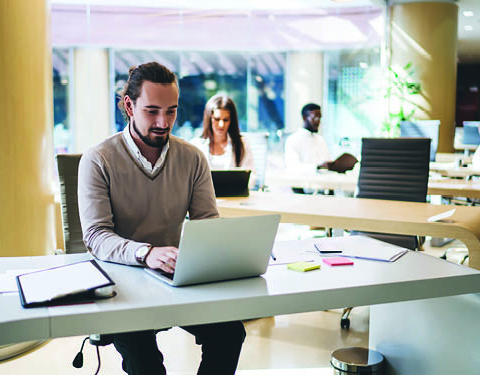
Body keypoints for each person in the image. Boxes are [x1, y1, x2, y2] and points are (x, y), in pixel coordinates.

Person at [77, 62, 246, 375]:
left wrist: (225, 253)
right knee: (146, 364)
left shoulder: (192, 157)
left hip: (177, 278)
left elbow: (207, 222)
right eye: (152, 110)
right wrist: (147, 253)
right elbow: (96, 236)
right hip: (123, 283)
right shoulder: (98, 159)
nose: (162, 122)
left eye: (171, 111)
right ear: (129, 105)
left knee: (230, 332)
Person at [191, 94, 255, 172]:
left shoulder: (242, 143)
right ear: (209, 119)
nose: (221, 125)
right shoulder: (197, 144)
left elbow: (251, 175)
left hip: (234, 185)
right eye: (217, 119)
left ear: (231, 121)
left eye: (226, 120)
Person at [285, 103, 336, 173]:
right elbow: (293, 167)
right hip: (301, 183)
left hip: (324, 182)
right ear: (304, 118)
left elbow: (327, 164)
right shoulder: (293, 140)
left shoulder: (321, 140)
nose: (318, 121)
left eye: (320, 118)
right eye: (315, 117)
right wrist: (318, 167)